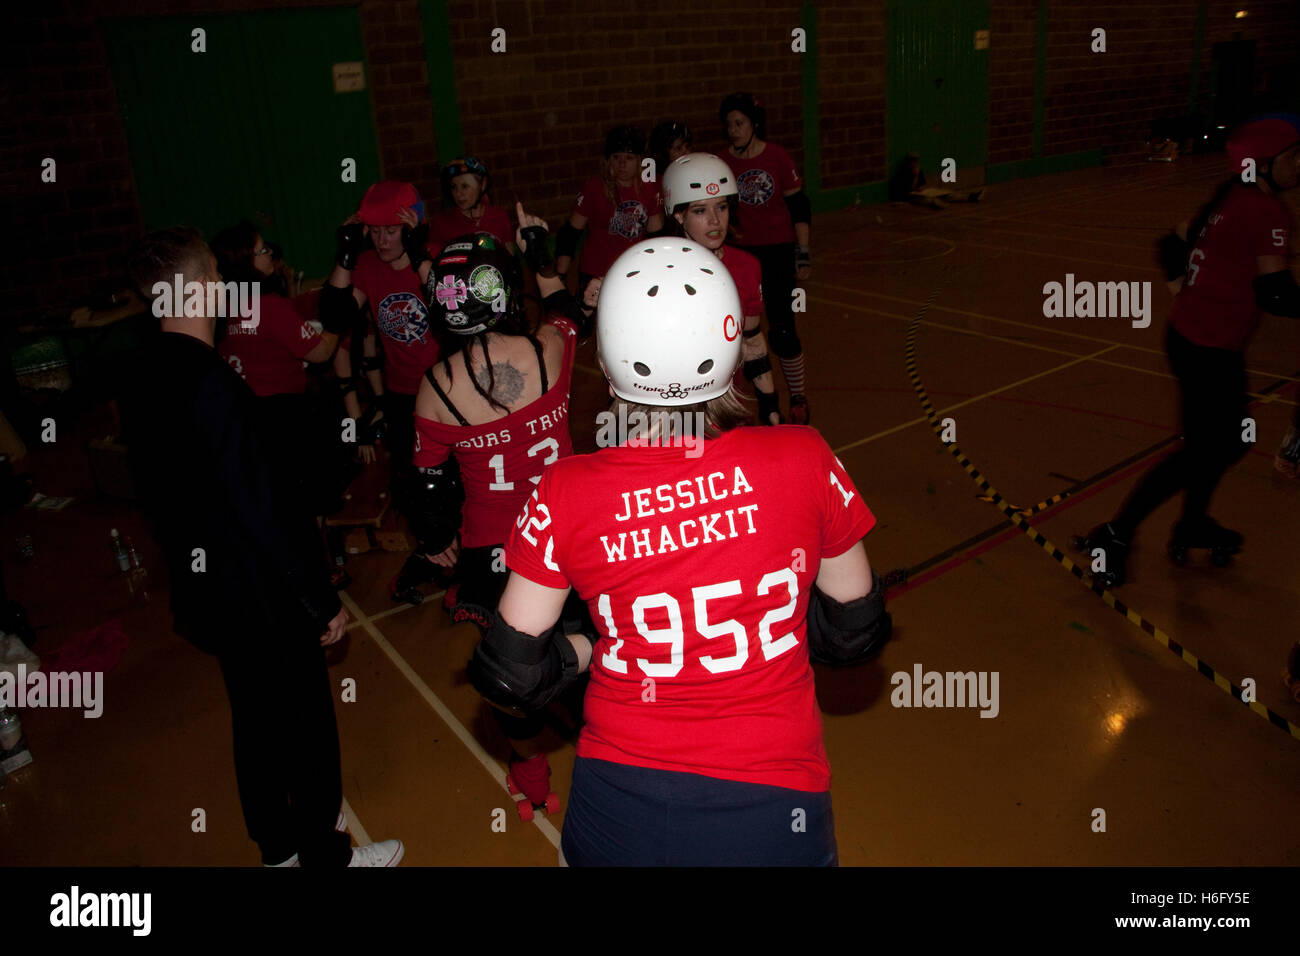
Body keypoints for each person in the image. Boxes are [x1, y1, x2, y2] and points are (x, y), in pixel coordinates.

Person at [467, 238, 891, 866]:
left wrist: (596, 644)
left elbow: (510, 673)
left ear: (609, 368)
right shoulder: (802, 454)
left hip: (621, 806)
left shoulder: (567, 489)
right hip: (776, 810)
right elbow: (855, 632)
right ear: (728, 353)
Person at [121, 227, 403, 866]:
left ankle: (276, 848)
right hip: (258, 589)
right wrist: (315, 598)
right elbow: (259, 506)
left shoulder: (141, 377)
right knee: (303, 723)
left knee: (253, 717)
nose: (223, 289)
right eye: (215, 280)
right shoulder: (211, 383)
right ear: (196, 289)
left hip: (208, 588)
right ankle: (325, 857)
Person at [402, 207, 595, 811]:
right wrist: (540, 254)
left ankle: (532, 777)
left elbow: (428, 479)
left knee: (511, 674)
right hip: (570, 530)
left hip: (497, 551)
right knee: (594, 647)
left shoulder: (435, 389)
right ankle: (619, 754)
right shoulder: (548, 350)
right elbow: (570, 314)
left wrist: (435, 538)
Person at [1081, 114, 1300, 587]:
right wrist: (1189, 289)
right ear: (1263, 165)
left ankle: (1191, 521)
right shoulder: (1264, 212)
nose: (1299, 165)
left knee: (1224, 443)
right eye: (1293, 157)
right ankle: (1115, 535)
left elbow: (1169, 244)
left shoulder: (1227, 200)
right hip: (1207, 348)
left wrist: (1182, 287)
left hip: (1196, 339)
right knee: (1205, 450)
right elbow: (1277, 294)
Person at [323, 181, 439, 489]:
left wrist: (418, 253)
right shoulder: (368, 266)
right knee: (408, 475)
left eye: (391, 231)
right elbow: (335, 317)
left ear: (412, 227)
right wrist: (346, 254)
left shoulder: (435, 259)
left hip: (445, 386)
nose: (382, 242)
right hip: (400, 391)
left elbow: (445, 305)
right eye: (374, 232)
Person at [716, 92, 814, 424]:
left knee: (782, 329)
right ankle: (761, 402)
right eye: (729, 125)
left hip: (777, 252)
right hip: (741, 256)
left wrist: (803, 252)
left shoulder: (777, 157)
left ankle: (797, 396)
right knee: (742, 331)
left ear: (754, 124)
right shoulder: (721, 163)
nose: (733, 130)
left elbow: (799, 205)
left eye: (739, 123)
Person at [663, 152, 781, 425]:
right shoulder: (660, 271)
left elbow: (751, 342)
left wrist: (770, 405)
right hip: (673, 411)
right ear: (679, 215)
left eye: (722, 207)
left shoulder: (747, 267)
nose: (715, 221)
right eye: (700, 210)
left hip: (727, 408)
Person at [554, 126, 665, 293]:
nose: (622, 164)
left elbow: (656, 237)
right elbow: (571, 234)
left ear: (640, 160)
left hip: (634, 270)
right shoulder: (594, 187)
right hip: (596, 271)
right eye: (616, 157)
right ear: (608, 160)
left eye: (629, 158)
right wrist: (559, 277)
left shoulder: (650, 187)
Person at [428, 156, 514, 253]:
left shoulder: (499, 216)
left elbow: (510, 259)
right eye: (453, 187)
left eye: (465, 186)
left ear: (483, 185)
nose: (458, 193)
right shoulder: (441, 224)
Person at [887, 152, 986, 208]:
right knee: (927, 200)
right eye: (913, 162)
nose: (915, 164)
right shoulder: (903, 173)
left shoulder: (918, 170)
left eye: (916, 161)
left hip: (918, 193)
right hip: (909, 196)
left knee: (947, 194)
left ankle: (971, 197)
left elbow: (920, 186)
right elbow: (906, 191)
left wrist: (920, 186)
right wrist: (915, 177)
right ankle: (938, 204)